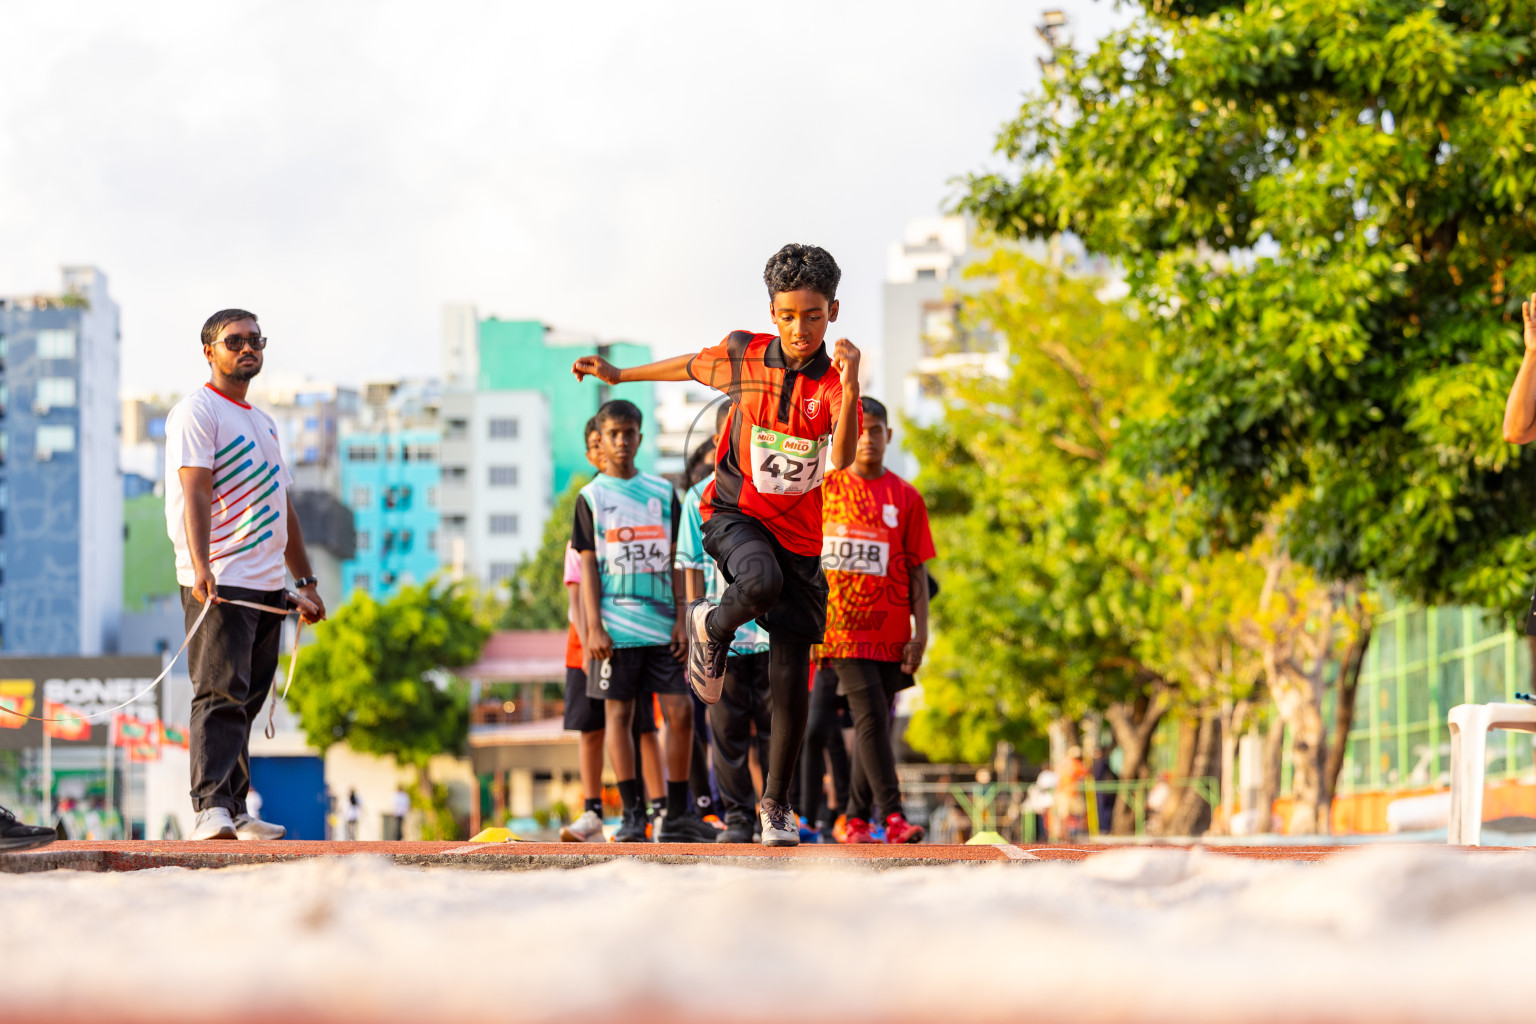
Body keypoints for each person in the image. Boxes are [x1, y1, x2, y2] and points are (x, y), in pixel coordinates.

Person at [573, 244, 862, 846]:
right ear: (772, 311)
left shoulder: (835, 383)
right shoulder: (743, 354)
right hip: (737, 515)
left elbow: (839, 454)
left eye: (812, 316)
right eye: (787, 315)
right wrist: (621, 375)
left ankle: (775, 808)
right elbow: (687, 365)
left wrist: (854, 380)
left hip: (802, 536)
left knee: (790, 684)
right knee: (759, 581)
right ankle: (714, 623)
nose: (800, 329)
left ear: (832, 312)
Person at [165, 308, 325, 842]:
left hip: (266, 586)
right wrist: (202, 564)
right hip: (221, 576)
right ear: (209, 350)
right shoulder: (198, 411)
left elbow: (285, 507)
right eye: (235, 340)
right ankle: (209, 806)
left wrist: (305, 583)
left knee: (249, 698)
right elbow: (195, 491)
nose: (247, 347)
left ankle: (234, 807)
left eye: (256, 339)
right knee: (218, 692)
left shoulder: (263, 422)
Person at [572, 400, 717, 843]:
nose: (622, 441)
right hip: (614, 632)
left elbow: (678, 557)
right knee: (620, 716)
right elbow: (587, 567)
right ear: (601, 436)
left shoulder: (661, 492)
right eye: (613, 433)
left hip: (662, 629)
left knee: (682, 715)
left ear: (640, 436)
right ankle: (633, 813)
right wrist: (593, 626)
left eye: (629, 432)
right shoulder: (590, 498)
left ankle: (676, 813)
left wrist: (681, 616)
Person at [820, 396, 934, 844]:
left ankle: (856, 819)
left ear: (889, 436)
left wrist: (919, 632)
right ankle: (893, 815)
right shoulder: (826, 488)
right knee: (869, 715)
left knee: (876, 725)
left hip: (891, 633)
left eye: (876, 430)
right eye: (860, 429)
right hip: (840, 629)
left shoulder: (906, 497)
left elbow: (917, 569)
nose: (867, 438)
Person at [560, 418, 666, 843]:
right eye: (597, 442)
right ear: (593, 450)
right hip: (589, 642)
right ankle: (592, 811)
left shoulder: (645, 503)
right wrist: (589, 638)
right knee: (592, 727)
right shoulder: (588, 511)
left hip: (635, 635)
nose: (607, 448)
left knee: (643, 725)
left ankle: (658, 810)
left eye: (623, 437)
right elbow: (576, 590)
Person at [676, 400, 773, 844]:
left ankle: (777, 810)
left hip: (772, 635)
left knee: (776, 728)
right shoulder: (699, 496)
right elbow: (691, 565)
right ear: (719, 440)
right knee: (727, 730)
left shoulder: (772, 490)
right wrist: (696, 629)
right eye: (728, 434)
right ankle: (737, 816)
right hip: (723, 640)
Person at [800, 660, 851, 841]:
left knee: (831, 740)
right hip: (812, 671)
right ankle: (813, 817)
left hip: (836, 661)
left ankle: (842, 813)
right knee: (819, 738)